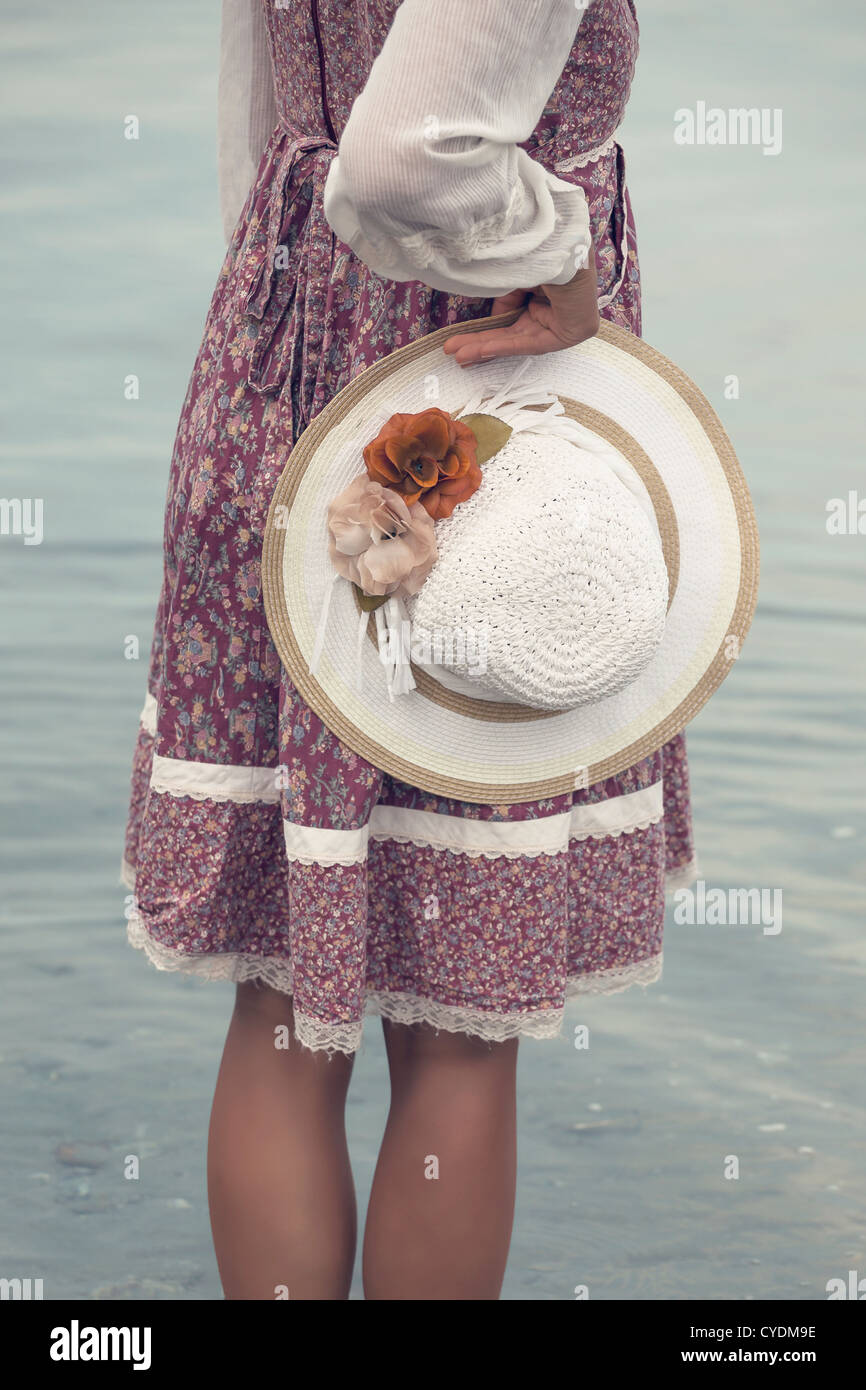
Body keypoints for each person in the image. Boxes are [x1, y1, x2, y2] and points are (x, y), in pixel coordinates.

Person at [123, 0, 695, 1300]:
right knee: (455, 1031)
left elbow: (269, 110)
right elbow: (400, 164)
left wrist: (278, 319)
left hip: (269, 369)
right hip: (482, 382)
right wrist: (556, 247)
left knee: (282, 999)